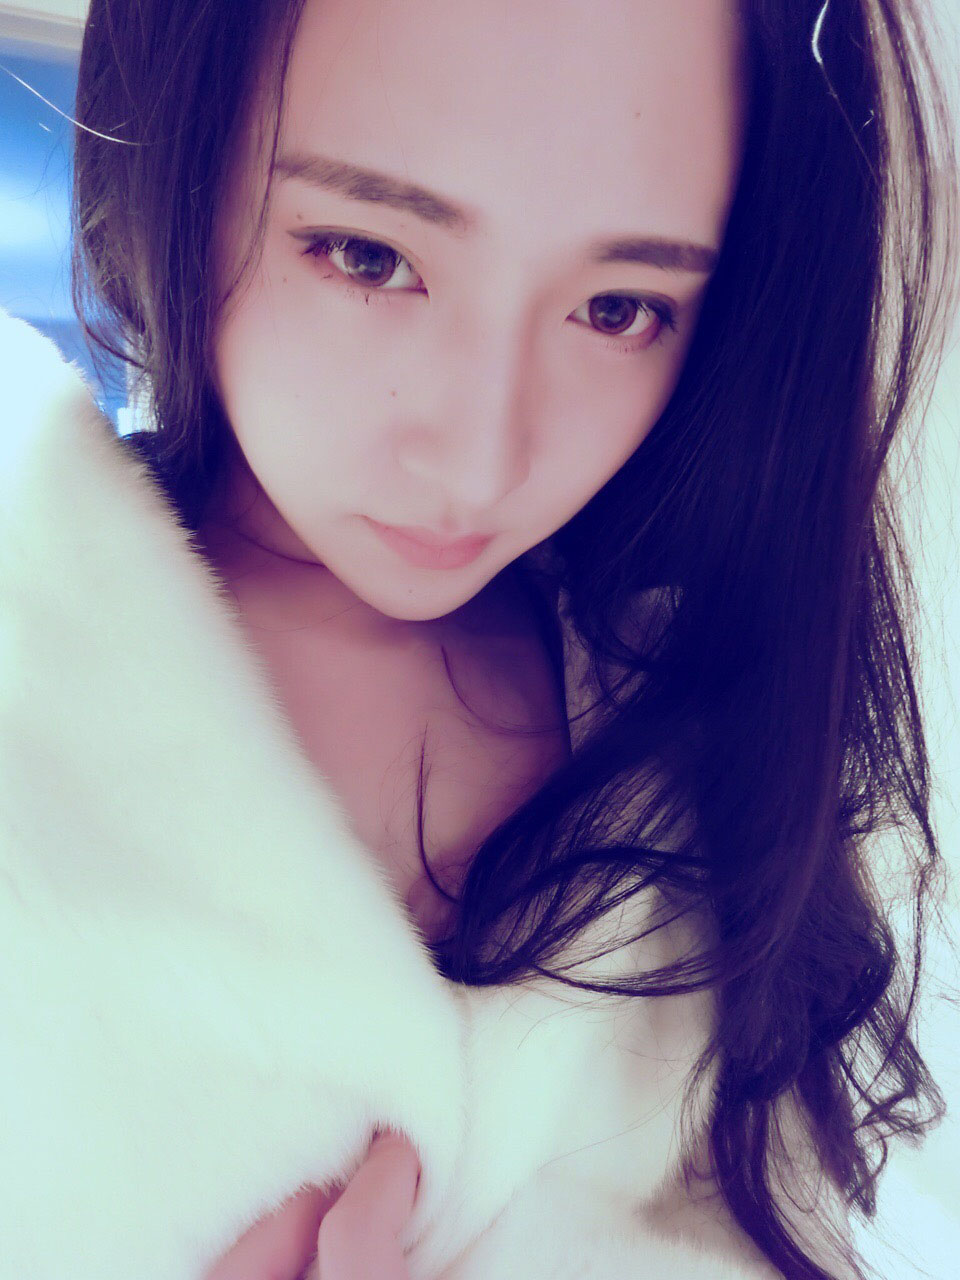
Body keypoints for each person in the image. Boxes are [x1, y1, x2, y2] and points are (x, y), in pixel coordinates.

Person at [1, 0, 958, 1277]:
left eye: (619, 309)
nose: (481, 458)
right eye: (367, 255)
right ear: (177, 162)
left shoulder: (721, 749)